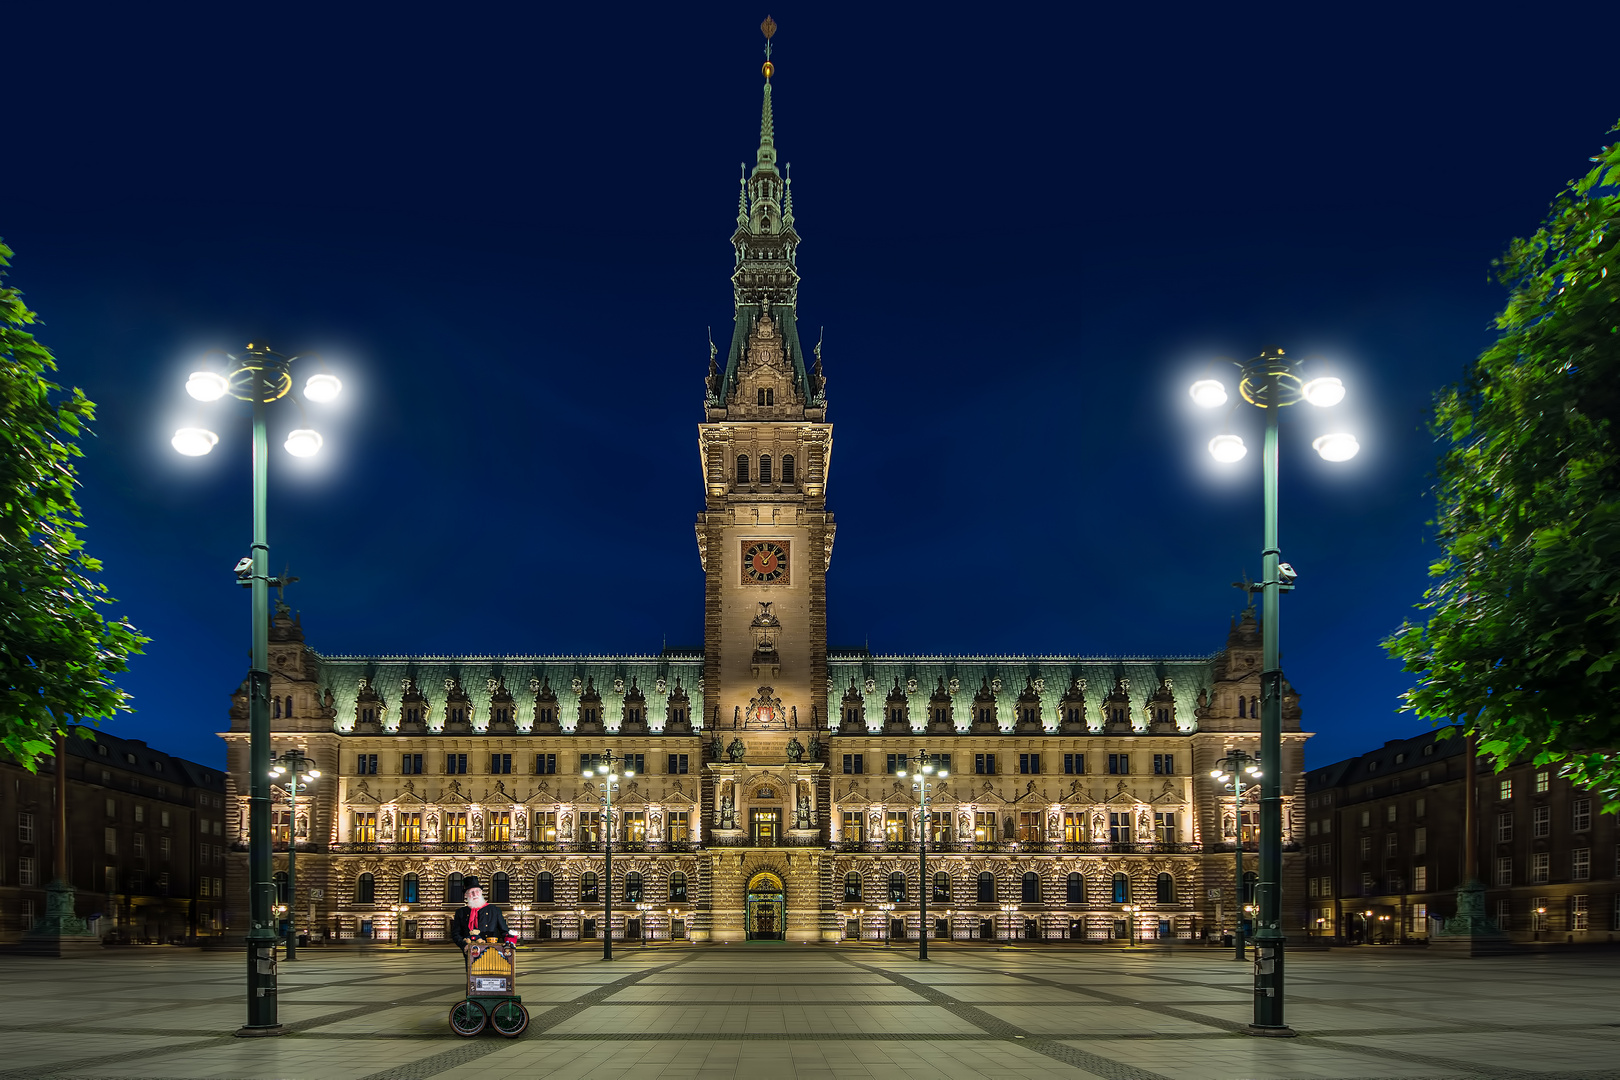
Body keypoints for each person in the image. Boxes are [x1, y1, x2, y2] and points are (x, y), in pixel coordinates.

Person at [451, 885, 513, 955]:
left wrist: (509, 942)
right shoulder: (461, 912)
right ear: (466, 895)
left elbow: (504, 931)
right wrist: (464, 945)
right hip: (471, 952)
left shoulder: (494, 910)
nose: (475, 894)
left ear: (481, 892)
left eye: (477, 891)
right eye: (471, 892)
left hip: (492, 951)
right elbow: (456, 934)